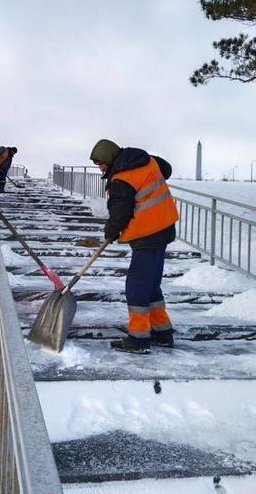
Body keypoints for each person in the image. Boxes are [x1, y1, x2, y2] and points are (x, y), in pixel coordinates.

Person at [89, 139, 179, 354]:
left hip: (147, 234)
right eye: (97, 164)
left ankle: (139, 339)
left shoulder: (120, 179)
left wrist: (110, 232)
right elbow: (166, 169)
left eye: (101, 162)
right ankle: (162, 332)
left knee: (137, 287)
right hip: (165, 228)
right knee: (151, 284)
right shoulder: (146, 160)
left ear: (110, 158)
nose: (100, 167)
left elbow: (119, 213)